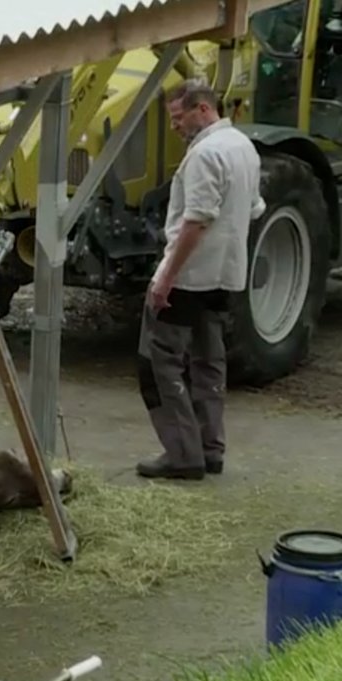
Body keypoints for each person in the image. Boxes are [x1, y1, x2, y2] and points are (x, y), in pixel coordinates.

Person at [136, 78, 265, 480]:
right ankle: (211, 449)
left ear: (203, 109)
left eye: (179, 118)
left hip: (189, 279)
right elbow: (256, 208)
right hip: (226, 277)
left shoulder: (205, 154)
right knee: (210, 360)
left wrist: (165, 279)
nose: (175, 127)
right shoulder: (244, 147)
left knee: (159, 363)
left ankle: (182, 453)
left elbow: (196, 222)